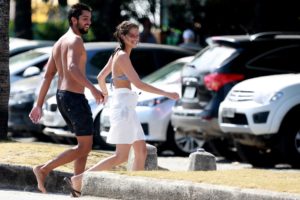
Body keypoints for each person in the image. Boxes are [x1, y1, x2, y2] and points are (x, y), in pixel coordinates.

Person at [67, 20, 179, 197]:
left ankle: (135, 191)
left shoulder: (117, 53)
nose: (136, 38)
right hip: (124, 109)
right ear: (123, 36)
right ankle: (79, 179)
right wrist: (167, 93)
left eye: (137, 35)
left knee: (141, 151)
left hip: (125, 107)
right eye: (132, 35)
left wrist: (105, 95)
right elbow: (138, 84)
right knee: (121, 156)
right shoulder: (122, 56)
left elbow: (101, 77)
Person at [28, 3, 104, 194]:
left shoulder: (59, 42)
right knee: (85, 146)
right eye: (85, 19)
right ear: (74, 20)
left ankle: (76, 190)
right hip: (73, 97)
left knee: (83, 145)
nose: (89, 23)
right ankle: (44, 169)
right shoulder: (75, 41)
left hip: (63, 97)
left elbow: (48, 76)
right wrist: (93, 90)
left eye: (90, 19)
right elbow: (71, 68)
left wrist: (38, 104)